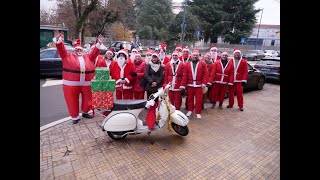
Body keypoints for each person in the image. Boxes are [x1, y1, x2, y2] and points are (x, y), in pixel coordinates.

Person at [52, 30, 104, 124]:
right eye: (77, 49)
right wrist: (58, 40)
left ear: (82, 50)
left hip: (86, 84)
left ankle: (85, 112)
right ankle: (75, 117)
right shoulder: (67, 56)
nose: (79, 51)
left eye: (80, 49)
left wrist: (99, 43)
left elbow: (95, 53)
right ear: (74, 50)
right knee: (72, 100)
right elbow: (61, 48)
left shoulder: (88, 57)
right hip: (71, 85)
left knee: (87, 99)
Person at [182, 49, 208, 119]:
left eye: (196, 55)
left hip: (199, 84)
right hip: (190, 84)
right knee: (190, 98)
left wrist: (204, 83)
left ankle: (198, 112)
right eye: (194, 55)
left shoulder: (203, 63)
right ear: (191, 55)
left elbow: (205, 74)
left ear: (198, 55)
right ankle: (190, 110)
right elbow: (185, 75)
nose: (195, 56)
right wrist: (184, 84)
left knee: (199, 99)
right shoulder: (187, 64)